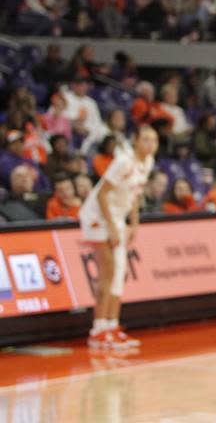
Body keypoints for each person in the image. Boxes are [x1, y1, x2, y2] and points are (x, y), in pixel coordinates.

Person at [79, 126, 158, 351]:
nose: (149, 144)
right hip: (98, 216)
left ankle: (112, 326)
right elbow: (103, 193)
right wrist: (113, 228)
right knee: (109, 271)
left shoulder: (148, 162)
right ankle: (98, 330)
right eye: (145, 139)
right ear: (135, 141)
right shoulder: (124, 161)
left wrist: (134, 223)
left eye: (153, 140)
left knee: (119, 273)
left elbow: (135, 195)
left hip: (116, 217)